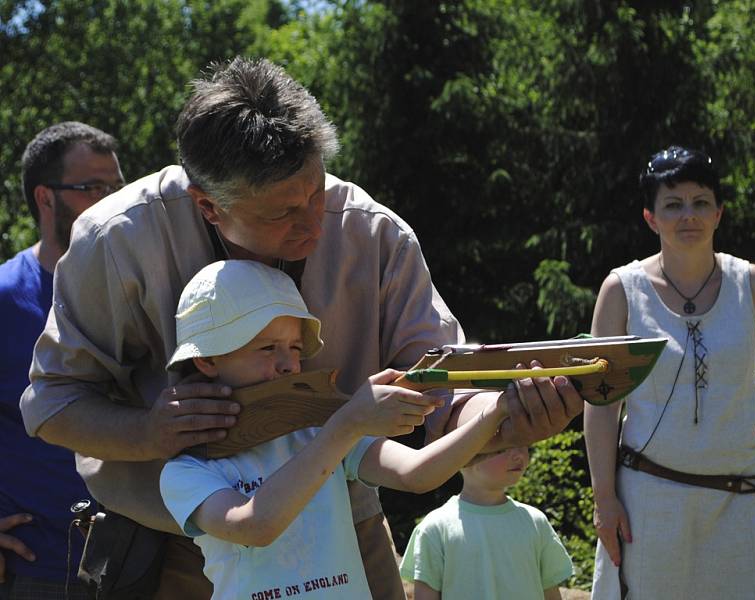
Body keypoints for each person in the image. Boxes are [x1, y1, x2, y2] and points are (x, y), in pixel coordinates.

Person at [20, 56, 583, 599]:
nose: (315, 221)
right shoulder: (115, 240)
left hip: (347, 536)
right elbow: (52, 405)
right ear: (208, 206)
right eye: (281, 213)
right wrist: (148, 432)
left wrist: (503, 412)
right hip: (175, 548)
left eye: (316, 189)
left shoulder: (373, 233)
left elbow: (443, 384)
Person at [160, 258, 512, 599]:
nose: (289, 364)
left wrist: (499, 408)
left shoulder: (319, 433)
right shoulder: (186, 470)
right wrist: (346, 424)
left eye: (295, 348)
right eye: (267, 348)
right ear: (207, 360)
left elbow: (416, 474)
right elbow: (254, 526)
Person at [584, 145, 755, 599]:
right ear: (651, 217)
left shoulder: (751, 285)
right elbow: (602, 403)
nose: (689, 215)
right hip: (650, 504)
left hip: (742, 503)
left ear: (719, 214)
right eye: (674, 204)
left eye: (701, 202)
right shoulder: (623, 291)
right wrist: (605, 499)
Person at [0, 122, 124, 599]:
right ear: (45, 198)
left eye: (117, 186)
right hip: (38, 569)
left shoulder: (143, 292)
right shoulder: (8, 300)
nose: (113, 201)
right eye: (92, 188)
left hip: (141, 565)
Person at [400, 440, 573, 600]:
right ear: (464, 455)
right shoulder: (435, 528)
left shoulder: (535, 521)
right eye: (502, 448)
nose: (518, 454)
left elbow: (550, 593)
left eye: (522, 443)